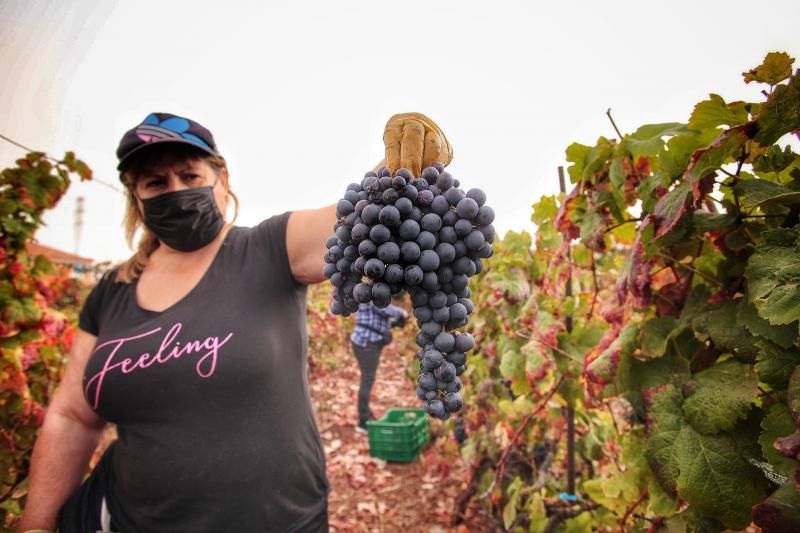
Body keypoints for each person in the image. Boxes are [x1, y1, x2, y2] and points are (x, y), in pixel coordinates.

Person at [18, 111, 451, 533]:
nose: (175, 189)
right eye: (155, 182)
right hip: (132, 518)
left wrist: (397, 164)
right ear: (137, 198)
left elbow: (353, 219)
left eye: (189, 176)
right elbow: (73, 416)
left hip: (280, 520)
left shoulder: (267, 249)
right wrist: (36, 524)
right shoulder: (111, 290)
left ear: (221, 181)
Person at [350, 300, 408, 433]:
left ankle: (366, 415)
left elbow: (379, 317)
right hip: (366, 342)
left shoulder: (366, 292)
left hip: (366, 341)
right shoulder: (370, 294)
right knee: (367, 379)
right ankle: (363, 422)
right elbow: (384, 308)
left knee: (367, 378)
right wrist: (402, 313)